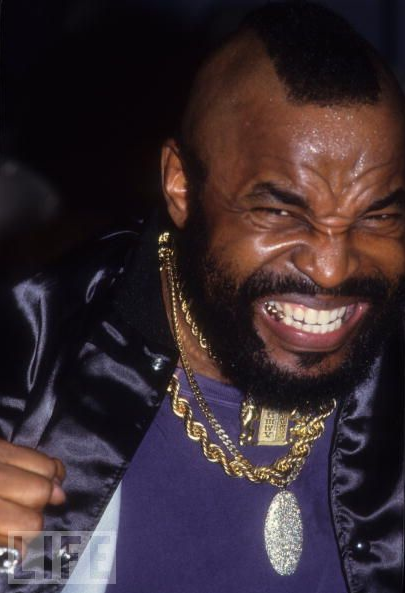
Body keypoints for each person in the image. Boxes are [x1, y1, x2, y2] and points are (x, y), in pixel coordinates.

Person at [0, 2, 403, 592]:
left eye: (379, 217)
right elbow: (31, 571)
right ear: (181, 185)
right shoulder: (34, 369)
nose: (331, 266)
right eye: (279, 212)